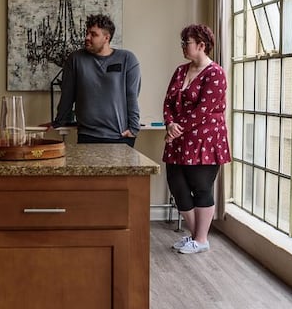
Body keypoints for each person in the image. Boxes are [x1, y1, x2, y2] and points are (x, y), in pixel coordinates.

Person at [162, 23, 231, 254]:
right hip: (178, 139)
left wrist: (177, 128)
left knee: (201, 187)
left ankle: (200, 239)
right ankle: (197, 238)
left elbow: (203, 110)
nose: (183, 46)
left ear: (201, 45)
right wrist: (170, 123)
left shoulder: (216, 73)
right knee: (177, 185)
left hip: (205, 140)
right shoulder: (181, 71)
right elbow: (168, 102)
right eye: (182, 42)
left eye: (186, 43)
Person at [51, 13, 141, 145]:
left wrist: (133, 128)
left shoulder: (127, 59)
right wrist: (58, 122)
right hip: (87, 136)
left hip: (120, 137)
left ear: (106, 37)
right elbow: (67, 96)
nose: (87, 37)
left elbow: (132, 96)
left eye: (93, 34)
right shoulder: (75, 59)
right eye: (87, 33)